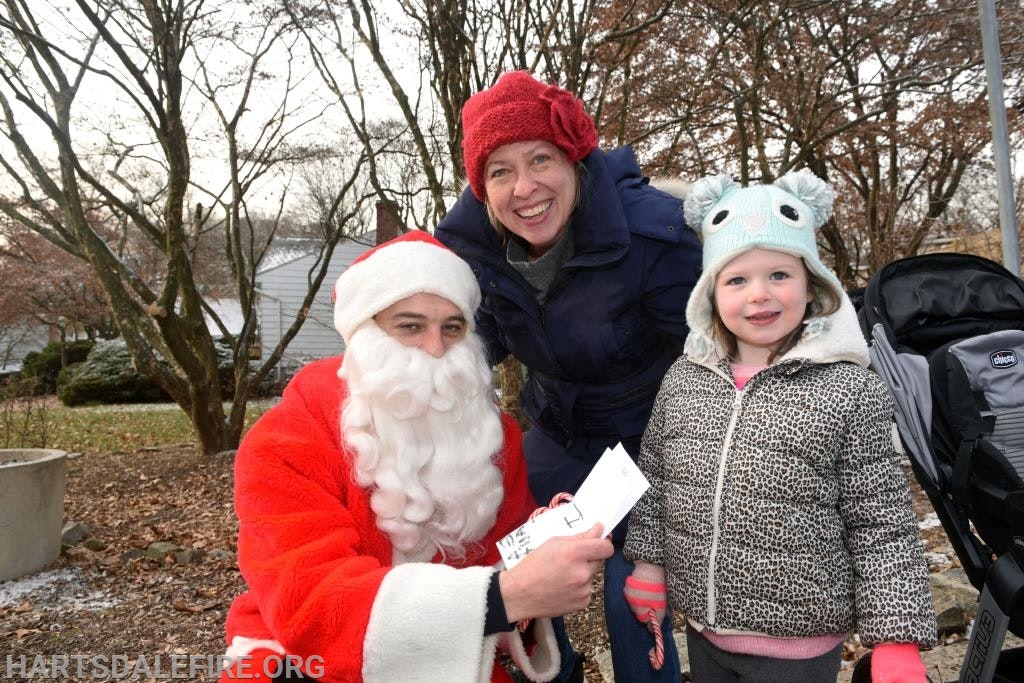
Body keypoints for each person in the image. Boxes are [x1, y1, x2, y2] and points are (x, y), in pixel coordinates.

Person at [219, 230, 614, 683]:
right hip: (309, 664)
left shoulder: (493, 436)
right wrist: (502, 598)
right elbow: (309, 603)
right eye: (409, 326)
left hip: (468, 659)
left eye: (452, 326)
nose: (435, 347)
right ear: (365, 332)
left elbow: (509, 555)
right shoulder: (289, 436)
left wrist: (550, 555)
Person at [434, 69, 700, 682]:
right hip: (557, 427)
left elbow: (712, 354)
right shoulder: (475, 253)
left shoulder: (653, 233)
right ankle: (551, 672)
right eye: (500, 171)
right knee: (497, 550)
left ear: (575, 159)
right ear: (481, 189)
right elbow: (468, 347)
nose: (524, 188)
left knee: (626, 583)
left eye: (541, 159)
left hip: (651, 436)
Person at [623, 170, 938, 682]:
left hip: (799, 645)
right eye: (737, 279)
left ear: (812, 284)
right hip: (704, 632)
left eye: (778, 275)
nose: (758, 296)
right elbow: (657, 485)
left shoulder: (849, 389)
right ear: (710, 293)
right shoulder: (684, 380)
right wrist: (648, 566)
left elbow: (882, 524)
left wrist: (896, 638)